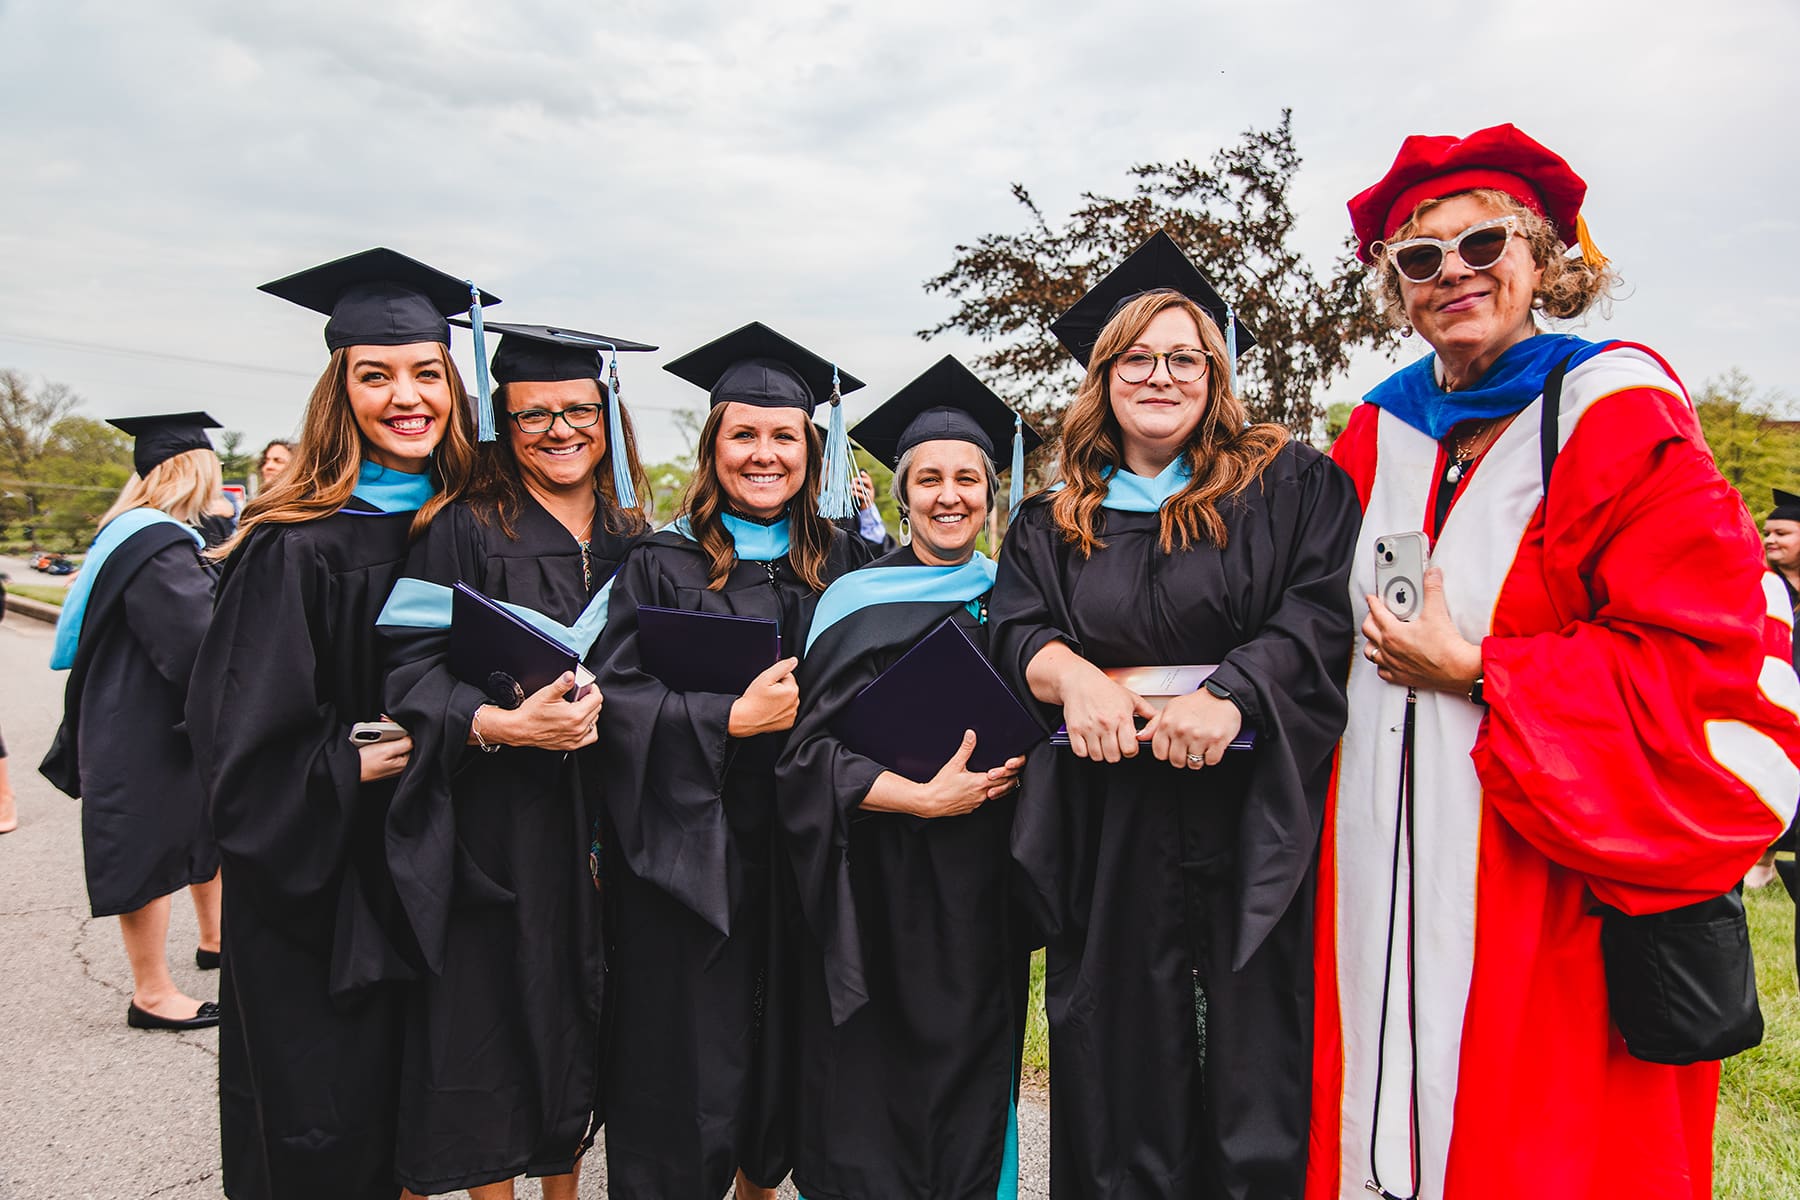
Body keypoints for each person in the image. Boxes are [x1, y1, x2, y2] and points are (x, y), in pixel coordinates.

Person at [1316, 125, 1800, 1200]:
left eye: (1483, 244)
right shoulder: (1376, 435)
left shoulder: (1613, 415)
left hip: (1546, 891)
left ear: (1544, 258)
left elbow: (1709, 665)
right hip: (1371, 881)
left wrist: (1483, 669)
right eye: (1420, 257)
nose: (1454, 274)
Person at [989, 232, 1359, 1198]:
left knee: (1254, 1047)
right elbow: (1016, 627)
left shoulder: (1287, 486)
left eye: (1184, 356)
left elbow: (1320, 609)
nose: (1161, 375)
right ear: (1104, 377)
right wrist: (1071, 676)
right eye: (1138, 357)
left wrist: (1234, 694)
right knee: (1116, 1045)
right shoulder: (1051, 520)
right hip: (1109, 816)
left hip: (1248, 807)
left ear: (1216, 372)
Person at [186, 248, 492, 1200]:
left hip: (441, 870)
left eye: (427, 372)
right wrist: (354, 765)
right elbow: (236, 749)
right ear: (339, 390)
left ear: (454, 384)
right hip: (324, 887)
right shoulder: (293, 546)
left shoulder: (468, 526)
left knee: (424, 1125)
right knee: (327, 1125)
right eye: (377, 374)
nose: (407, 395)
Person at [590, 322, 874, 1200]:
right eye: (742, 434)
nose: (764, 454)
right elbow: (613, 699)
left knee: (789, 1057)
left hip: (809, 856)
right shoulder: (659, 564)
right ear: (713, 448)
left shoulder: (849, 564)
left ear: (811, 449)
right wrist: (727, 719)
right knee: (685, 1060)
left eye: (783, 436)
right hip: (687, 857)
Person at [376, 320, 656, 1199]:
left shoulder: (639, 538)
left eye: (577, 409)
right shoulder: (459, 529)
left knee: (586, 1021)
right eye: (532, 416)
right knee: (500, 1021)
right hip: (501, 827)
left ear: (608, 417)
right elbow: (405, 670)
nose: (559, 430)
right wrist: (500, 726)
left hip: (616, 825)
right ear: (499, 423)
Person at [778, 355, 1037, 1200]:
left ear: (992, 495)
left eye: (969, 478)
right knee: (866, 1085)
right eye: (929, 478)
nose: (949, 495)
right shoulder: (854, 600)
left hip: (984, 887)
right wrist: (920, 796)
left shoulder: (1019, 606)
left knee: (971, 1076)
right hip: (875, 885)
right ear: (903, 494)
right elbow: (806, 759)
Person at [40, 413, 226, 1029]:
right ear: (194, 470)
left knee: (200, 828)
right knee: (149, 846)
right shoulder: (159, 544)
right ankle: (151, 994)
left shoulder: (128, 532)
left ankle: (216, 940)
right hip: (142, 719)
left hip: (137, 708)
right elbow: (194, 642)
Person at [1747, 488, 1800, 890]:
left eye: (1781, 532)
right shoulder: (1757, 587)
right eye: (1767, 532)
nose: (1770, 540)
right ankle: (1761, 856)